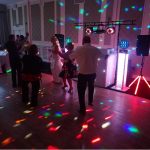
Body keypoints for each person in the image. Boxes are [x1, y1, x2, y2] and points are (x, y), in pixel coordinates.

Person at [70, 36, 105, 114]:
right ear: (90, 41)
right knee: (91, 87)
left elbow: (71, 57)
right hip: (92, 73)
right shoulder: (95, 49)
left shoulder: (79, 49)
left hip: (82, 73)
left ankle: (82, 109)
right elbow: (103, 57)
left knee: (81, 92)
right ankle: (90, 101)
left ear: (83, 41)